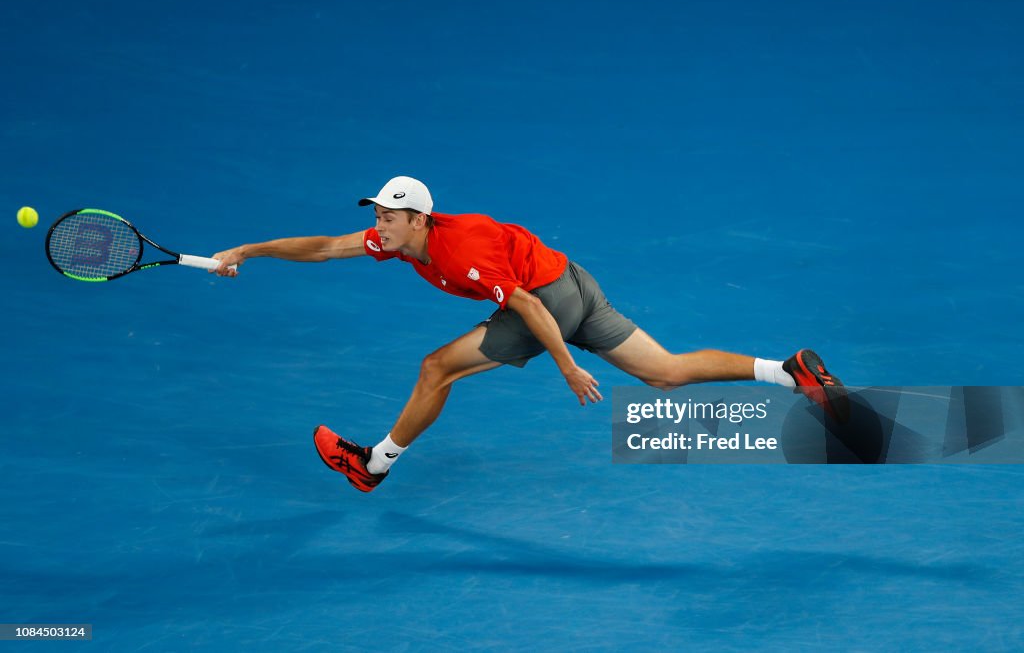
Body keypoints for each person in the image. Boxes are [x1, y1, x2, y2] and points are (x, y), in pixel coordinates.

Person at [211, 176, 848, 492]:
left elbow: (526, 308)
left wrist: (567, 367)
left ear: (418, 217)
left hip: (546, 301)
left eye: (388, 214)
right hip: (571, 277)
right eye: (376, 213)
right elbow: (325, 247)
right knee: (666, 371)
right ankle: (789, 371)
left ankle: (373, 465)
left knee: (439, 367)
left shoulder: (461, 254)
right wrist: (251, 248)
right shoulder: (398, 240)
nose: (378, 222)